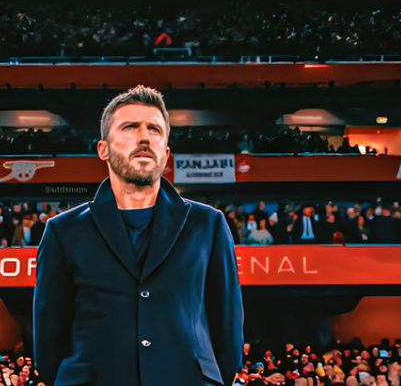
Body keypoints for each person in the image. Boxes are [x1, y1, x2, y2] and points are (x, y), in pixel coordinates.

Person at [33, 85, 244, 386]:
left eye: (154, 130)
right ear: (103, 149)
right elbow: (49, 338)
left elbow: (228, 329)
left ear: (165, 153)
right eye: (130, 127)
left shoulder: (208, 225)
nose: (144, 137)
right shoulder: (63, 231)